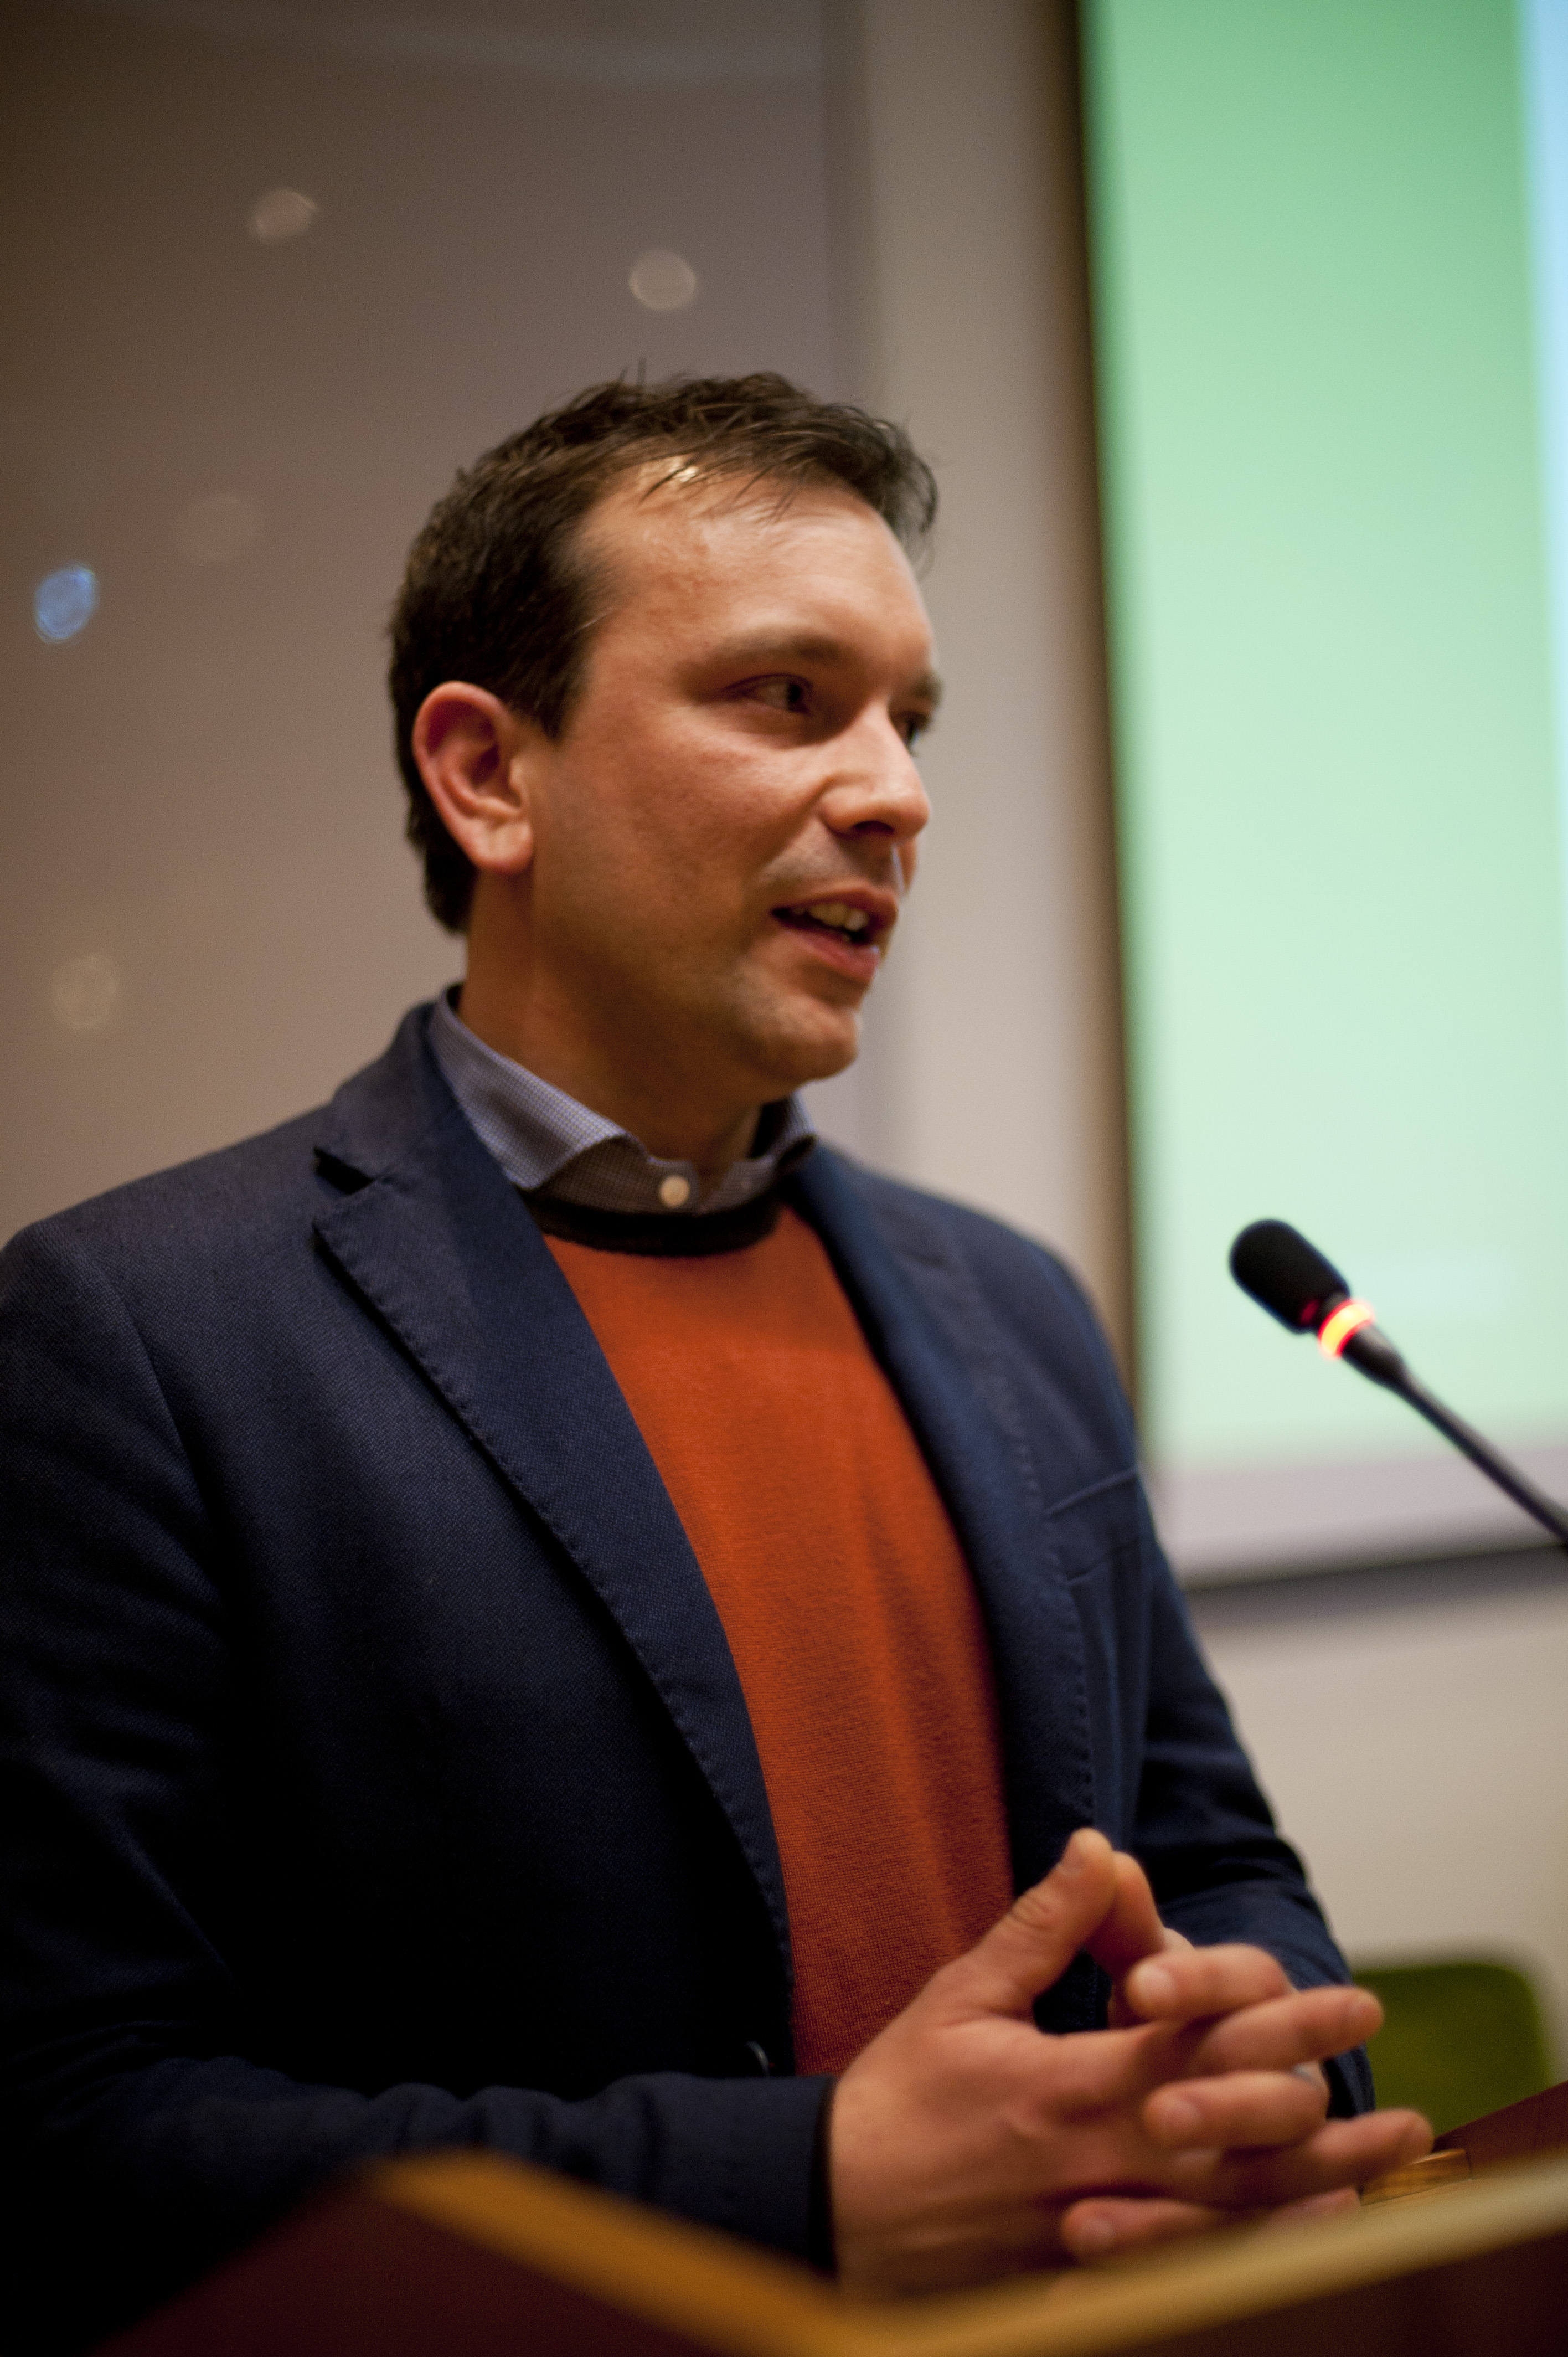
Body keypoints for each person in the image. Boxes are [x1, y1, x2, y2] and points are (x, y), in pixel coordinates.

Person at [0, 377, 1428, 2351]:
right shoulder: (136, 1335)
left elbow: (1210, 1852)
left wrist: (1255, 2037)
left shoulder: (1016, 1304)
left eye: (910, 721)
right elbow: (75, 2131)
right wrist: (808, 2189)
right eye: (787, 697)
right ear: (488, 776)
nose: (896, 794)